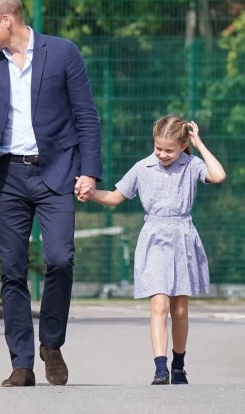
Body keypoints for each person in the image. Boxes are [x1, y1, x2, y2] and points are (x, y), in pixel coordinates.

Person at [0, 0, 102, 387]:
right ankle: (21, 363)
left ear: (7, 21)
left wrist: (90, 172)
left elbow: (86, 115)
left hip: (56, 174)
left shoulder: (63, 53)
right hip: (8, 178)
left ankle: (51, 342)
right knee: (12, 271)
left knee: (61, 258)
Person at [78, 116, 226, 385]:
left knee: (179, 308)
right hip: (154, 238)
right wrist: (92, 194)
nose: (162, 154)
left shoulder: (192, 165)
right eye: (159, 148)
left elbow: (218, 175)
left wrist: (199, 143)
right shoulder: (142, 167)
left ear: (183, 145)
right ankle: (160, 367)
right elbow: (115, 196)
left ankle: (179, 365)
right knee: (159, 304)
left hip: (183, 237)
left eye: (169, 149)